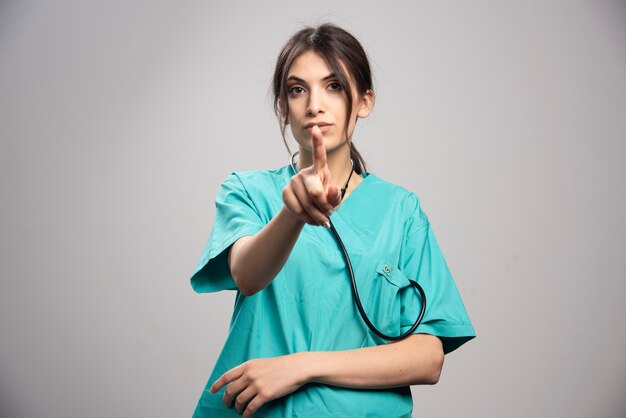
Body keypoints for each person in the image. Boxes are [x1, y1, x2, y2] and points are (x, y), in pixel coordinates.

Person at [189, 23, 476, 418]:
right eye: (297, 89)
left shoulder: (401, 211)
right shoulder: (248, 191)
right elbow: (247, 274)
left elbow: (428, 358)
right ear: (283, 107)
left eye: (334, 86)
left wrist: (302, 366)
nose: (314, 105)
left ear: (364, 102)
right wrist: (292, 212)